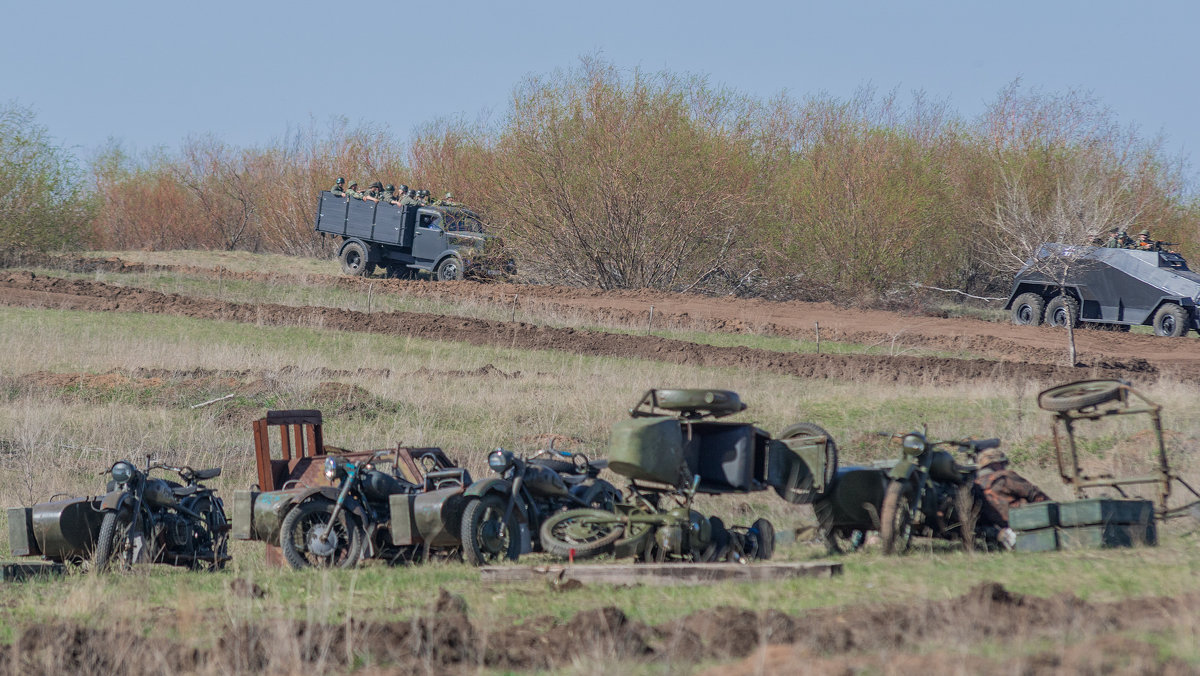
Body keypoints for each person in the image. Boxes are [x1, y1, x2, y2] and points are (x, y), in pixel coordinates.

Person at [975, 449, 1051, 526]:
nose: (1004, 467)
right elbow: (1034, 494)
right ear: (996, 464)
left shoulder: (976, 484)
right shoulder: (1003, 477)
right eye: (1003, 463)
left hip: (998, 532)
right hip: (1022, 524)